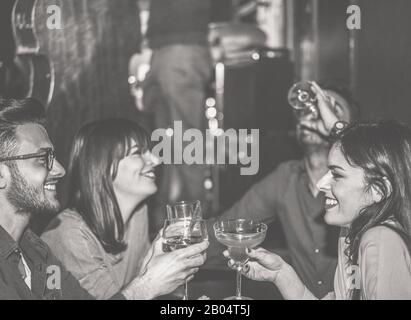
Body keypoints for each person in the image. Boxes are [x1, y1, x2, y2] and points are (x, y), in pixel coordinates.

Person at [0, 98, 208, 300]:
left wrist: (146, 271)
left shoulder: (36, 251)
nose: (60, 170)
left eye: (53, 158)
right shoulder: (65, 236)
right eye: (41, 159)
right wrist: (146, 286)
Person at [209, 81, 360, 298]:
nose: (314, 114)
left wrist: (338, 132)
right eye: (310, 107)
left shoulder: (365, 184)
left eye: (330, 109)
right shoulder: (285, 178)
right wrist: (178, 240)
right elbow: (229, 227)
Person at [230, 120, 411, 299]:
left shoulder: (380, 239)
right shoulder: (350, 234)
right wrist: (281, 274)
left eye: (337, 174)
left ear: (378, 189)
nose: (321, 184)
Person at [143, 0, 213, 228]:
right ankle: (170, 224)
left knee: (184, 143)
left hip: (180, 45)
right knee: (170, 144)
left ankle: (191, 230)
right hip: (169, 46)